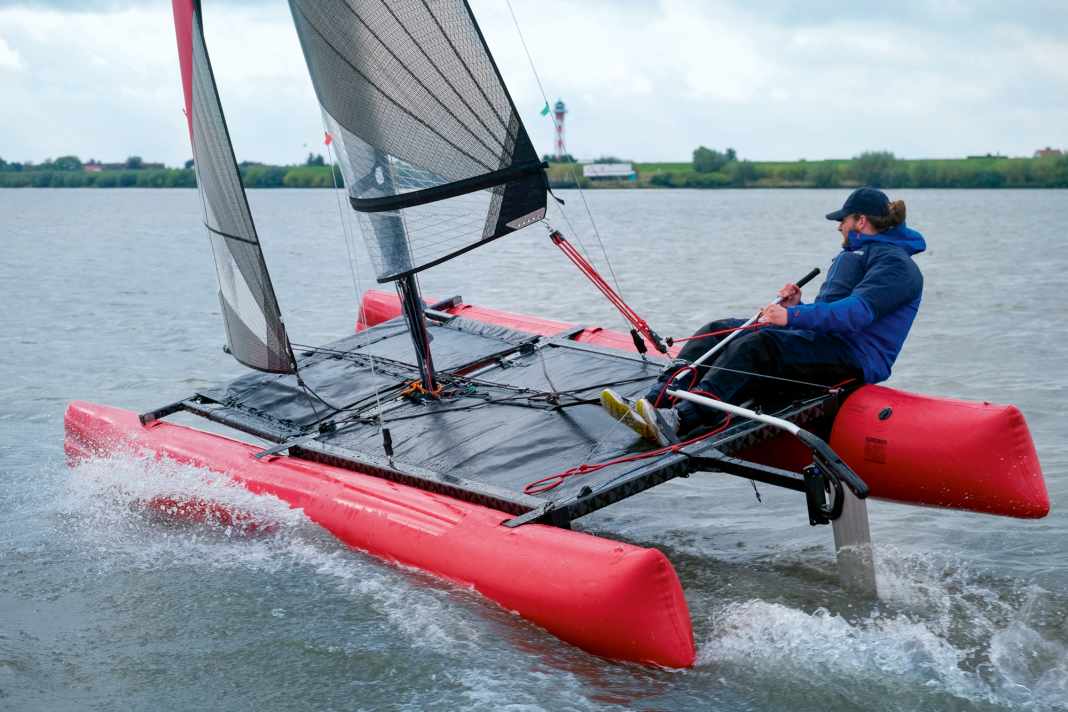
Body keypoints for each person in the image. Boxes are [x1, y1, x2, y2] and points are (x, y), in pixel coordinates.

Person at [601, 186, 926, 445]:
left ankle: (683, 418)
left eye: (843, 220)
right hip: (824, 342)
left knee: (761, 344)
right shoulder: (864, 252)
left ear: (861, 221)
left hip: (854, 359)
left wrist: (790, 319)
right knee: (720, 330)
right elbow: (834, 308)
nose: (839, 226)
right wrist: (796, 308)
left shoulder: (897, 266)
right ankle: (654, 401)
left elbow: (855, 314)